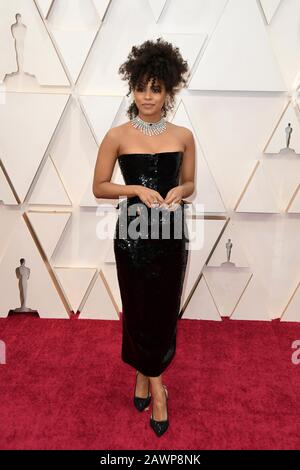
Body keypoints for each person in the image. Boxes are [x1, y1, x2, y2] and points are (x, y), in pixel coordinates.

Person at [92, 38, 195, 437]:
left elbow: (190, 185)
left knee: (163, 310)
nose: (147, 96)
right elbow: (100, 186)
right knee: (138, 308)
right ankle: (158, 389)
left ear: (169, 91)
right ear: (131, 88)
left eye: (156, 88)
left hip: (170, 231)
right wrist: (134, 190)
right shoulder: (117, 136)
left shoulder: (184, 136)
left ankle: (142, 375)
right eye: (140, 87)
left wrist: (178, 193)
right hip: (133, 233)